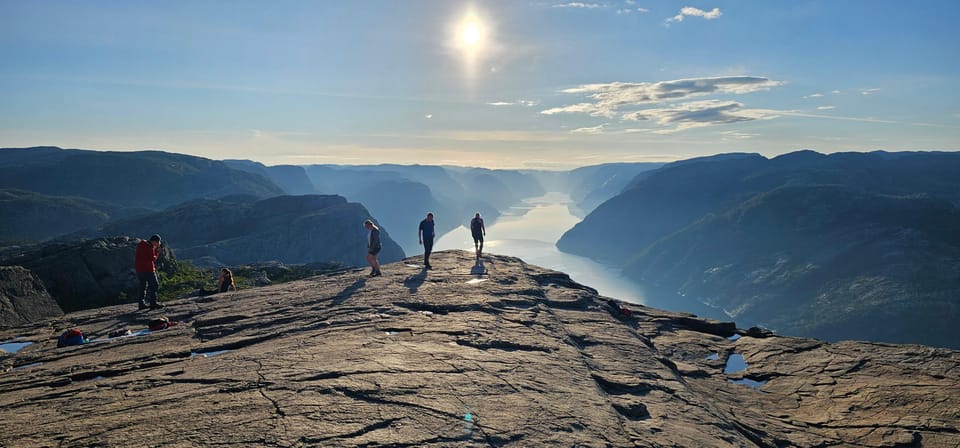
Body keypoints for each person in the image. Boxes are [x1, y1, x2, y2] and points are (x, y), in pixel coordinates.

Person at [135, 234, 164, 310]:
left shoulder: (141, 244)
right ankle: (153, 304)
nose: (158, 244)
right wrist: (157, 251)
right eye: (157, 242)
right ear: (154, 241)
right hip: (148, 270)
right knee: (154, 285)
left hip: (139, 269)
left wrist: (154, 249)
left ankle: (141, 304)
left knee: (142, 286)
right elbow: (152, 258)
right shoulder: (149, 247)